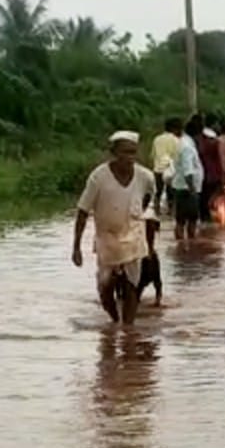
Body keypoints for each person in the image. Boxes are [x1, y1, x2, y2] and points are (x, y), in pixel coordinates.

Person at [72, 131, 157, 325]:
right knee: (105, 287)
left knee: (132, 285)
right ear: (114, 153)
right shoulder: (98, 177)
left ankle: (128, 329)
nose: (129, 158)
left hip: (134, 235)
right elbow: (83, 211)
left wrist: (142, 212)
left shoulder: (145, 176)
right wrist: (76, 247)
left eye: (133, 152)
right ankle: (114, 319)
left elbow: (151, 196)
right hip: (107, 239)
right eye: (125, 152)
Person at [171, 118, 204, 240]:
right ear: (198, 134)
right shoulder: (187, 147)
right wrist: (192, 190)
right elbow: (188, 170)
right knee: (190, 220)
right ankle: (189, 244)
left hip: (183, 187)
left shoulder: (185, 143)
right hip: (187, 189)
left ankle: (183, 245)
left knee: (182, 219)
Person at [193, 114, 223, 224]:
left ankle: (204, 219)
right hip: (210, 174)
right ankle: (206, 220)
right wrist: (221, 175)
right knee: (207, 199)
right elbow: (218, 160)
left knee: (203, 199)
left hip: (202, 174)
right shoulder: (213, 141)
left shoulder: (196, 141)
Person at [150, 118, 181, 214]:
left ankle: (156, 208)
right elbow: (177, 156)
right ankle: (171, 210)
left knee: (158, 191)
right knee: (171, 191)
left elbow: (153, 155)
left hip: (158, 168)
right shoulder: (176, 140)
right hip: (171, 169)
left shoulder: (157, 139)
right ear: (175, 129)